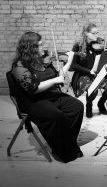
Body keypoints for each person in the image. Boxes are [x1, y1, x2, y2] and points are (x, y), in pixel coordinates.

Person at [11, 31, 84, 163]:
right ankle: (60, 149)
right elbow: (32, 89)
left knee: (77, 107)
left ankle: (68, 142)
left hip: (50, 95)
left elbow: (58, 76)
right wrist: (55, 81)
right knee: (56, 116)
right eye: (40, 45)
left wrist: (69, 61)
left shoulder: (42, 61)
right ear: (30, 48)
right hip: (33, 101)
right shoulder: (19, 66)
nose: (43, 48)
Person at [71, 23, 107, 118]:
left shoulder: (97, 45)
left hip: (96, 75)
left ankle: (101, 103)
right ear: (86, 33)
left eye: (97, 33)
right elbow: (73, 65)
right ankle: (89, 105)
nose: (97, 35)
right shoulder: (77, 46)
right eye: (94, 33)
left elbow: (104, 59)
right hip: (83, 76)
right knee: (93, 90)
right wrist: (88, 71)